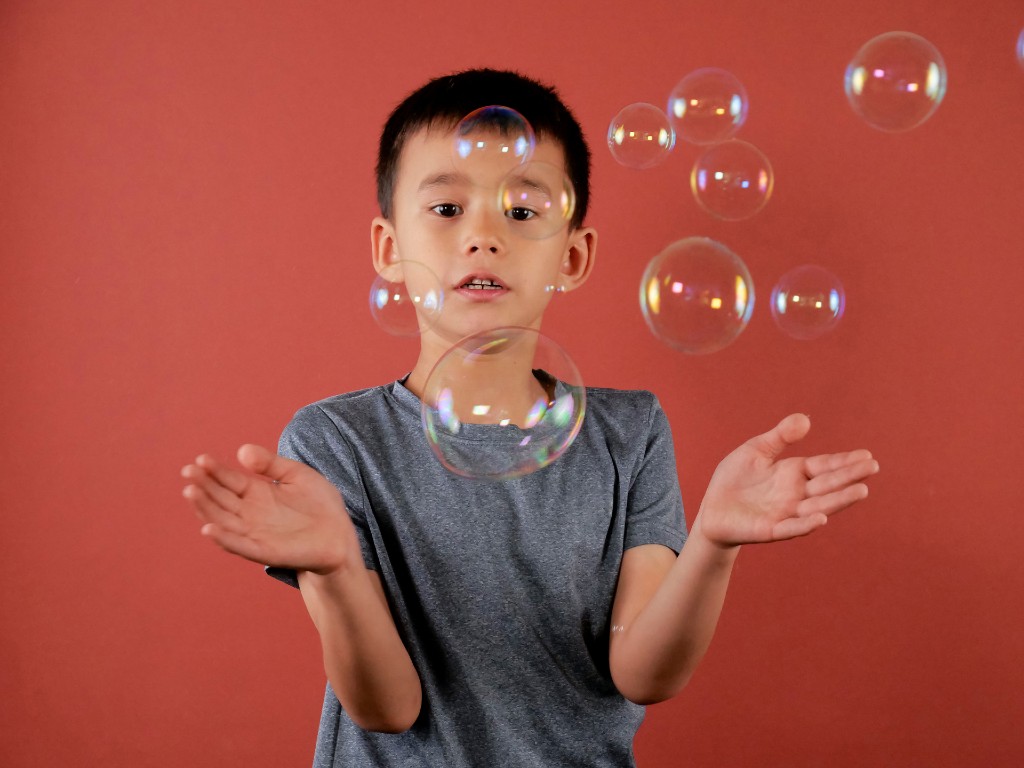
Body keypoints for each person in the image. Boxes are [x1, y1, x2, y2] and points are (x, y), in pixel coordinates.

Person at [180, 68, 880, 767]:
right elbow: (389, 709)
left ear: (572, 256)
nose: (484, 236)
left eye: (521, 212)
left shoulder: (630, 434)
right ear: (389, 250)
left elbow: (644, 674)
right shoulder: (337, 442)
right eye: (447, 208)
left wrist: (712, 546)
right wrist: (336, 569)